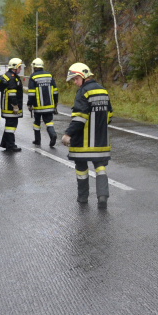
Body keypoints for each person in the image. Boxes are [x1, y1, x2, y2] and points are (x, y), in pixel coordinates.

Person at [61, 63, 111, 206]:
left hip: (83, 142)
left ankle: (83, 197)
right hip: (100, 141)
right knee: (100, 167)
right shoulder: (103, 90)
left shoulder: (83, 92)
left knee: (81, 169)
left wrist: (68, 134)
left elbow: (79, 118)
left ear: (83, 76)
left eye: (76, 79)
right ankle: (102, 196)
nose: (75, 82)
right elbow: (109, 115)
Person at [26, 57, 59, 147]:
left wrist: (29, 104)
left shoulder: (33, 77)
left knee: (37, 122)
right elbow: (55, 91)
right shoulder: (49, 75)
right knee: (48, 122)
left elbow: (31, 93)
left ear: (34, 67)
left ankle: (37, 140)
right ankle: (53, 134)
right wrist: (55, 102)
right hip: (49, 105)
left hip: (38, 106)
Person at [0, 57, 24, 152]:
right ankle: (10, 145)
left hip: (7, 106)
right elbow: (12, 94)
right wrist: (15, 106)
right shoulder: (12, 78)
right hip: (10, 107)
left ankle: (5, 143)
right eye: (19, 67)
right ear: (15, 67)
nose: (20, 69)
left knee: (9, 125)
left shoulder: (8, 75)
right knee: (11, 126)